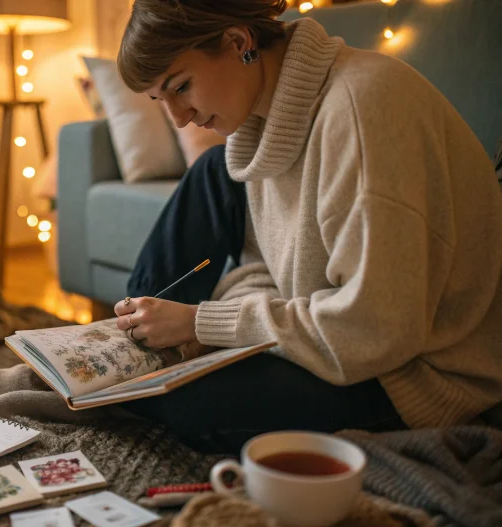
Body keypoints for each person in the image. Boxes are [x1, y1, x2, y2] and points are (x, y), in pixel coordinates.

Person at [112, 0, 502, 453]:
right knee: (211, 169)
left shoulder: (362, 109)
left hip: (415, 373)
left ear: (238, 42)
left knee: (180, 404)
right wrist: (213, 328)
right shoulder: (260, 122)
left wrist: (205, 324)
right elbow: (269, 272)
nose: (181, 117)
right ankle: (125, 349)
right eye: (164, 100)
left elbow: (375, 330)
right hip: (330, 338)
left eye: (181, 87)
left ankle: (128, 372)